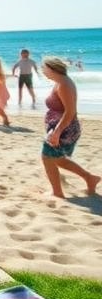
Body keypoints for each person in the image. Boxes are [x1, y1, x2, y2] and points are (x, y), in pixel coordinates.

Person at [40, 57, 100, 199]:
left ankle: (57, 193)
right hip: (62, 127)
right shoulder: (60, 82)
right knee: (58, 159)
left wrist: (57, 132)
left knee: (47, 157)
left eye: (44, 68)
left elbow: (70, 112)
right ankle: (90, 178)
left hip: (65, 129)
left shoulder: (64, 84)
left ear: (52, 68)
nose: (43, 71)